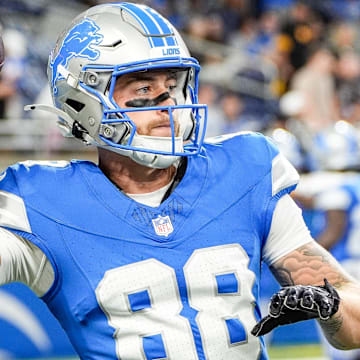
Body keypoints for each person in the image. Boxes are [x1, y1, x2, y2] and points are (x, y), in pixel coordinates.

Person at [0, 3, 360, 359]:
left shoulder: (246, 168)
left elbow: (354, 327)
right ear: (83, 101)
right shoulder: (38, 201)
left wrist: (331, 304)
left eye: (172, 84)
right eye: (142, 89)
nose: (166, 103)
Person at [293, 120, 360, 360]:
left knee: (342, 348)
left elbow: (333, 231)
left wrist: (301, 255)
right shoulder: (351, 184)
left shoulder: (336, 188)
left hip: (345, 274)